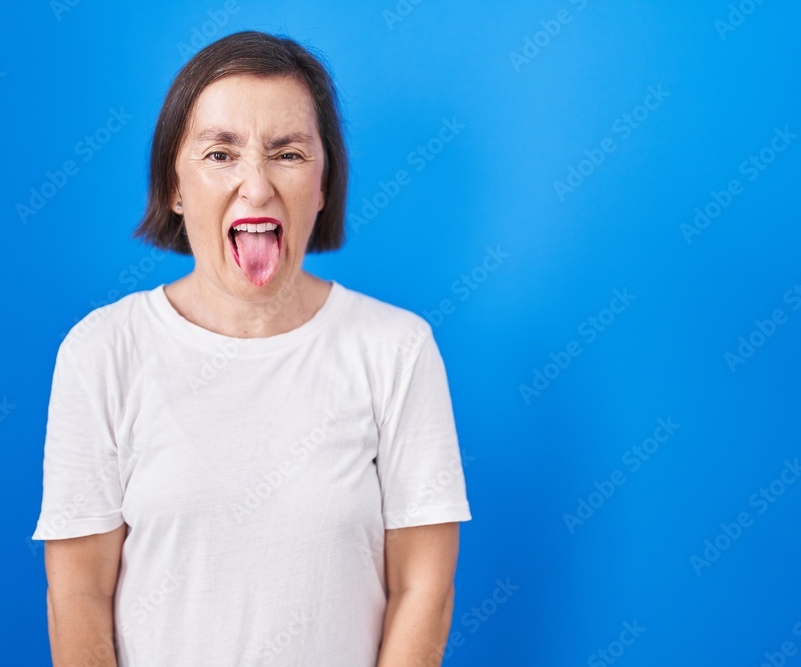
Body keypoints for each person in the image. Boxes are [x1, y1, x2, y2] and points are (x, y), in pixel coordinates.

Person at [31, 30, 472, 666]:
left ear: (323, 184)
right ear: (175, 186)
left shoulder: (396, 350)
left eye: (288, 154)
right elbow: (77, 594)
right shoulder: (102, 352)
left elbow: (421, 588)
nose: (256, 187)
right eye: (220, 154)